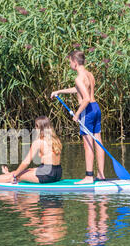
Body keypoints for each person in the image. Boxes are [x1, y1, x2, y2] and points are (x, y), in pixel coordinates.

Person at [51, 50, 105, 184]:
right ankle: (101, 175)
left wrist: (77, 114)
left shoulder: (78, 78)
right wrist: (60, 91)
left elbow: (85, 98)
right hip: (96, 108)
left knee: (88, 144)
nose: (69, 64)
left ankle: (88, 176)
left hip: (87, 111)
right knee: (98, 141)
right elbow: (80, 89)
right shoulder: (89, 74)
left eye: (70, 61)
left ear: (75, 62)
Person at [0, 116, 62, 187]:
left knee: (16, 175)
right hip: (57, 173)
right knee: (28, 170)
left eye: (35, 126)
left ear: (38, 127)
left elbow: (26, 162)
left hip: (47, 174)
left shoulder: (38, 142)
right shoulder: (56, 140)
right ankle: (8, 174)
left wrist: (15, 175)